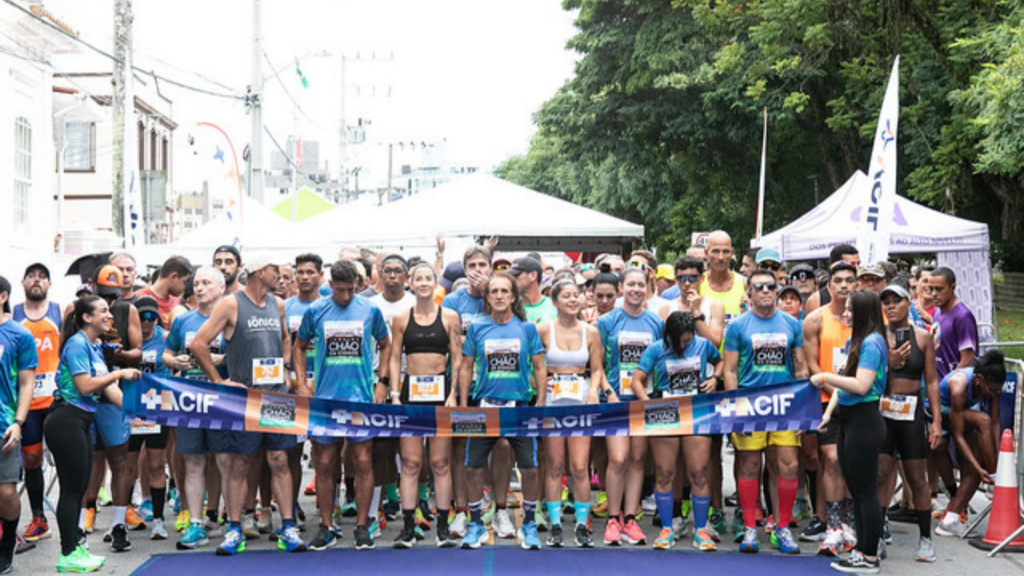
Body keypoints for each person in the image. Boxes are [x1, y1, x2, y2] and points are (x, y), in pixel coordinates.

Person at [190, 253, 307, 555]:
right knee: (239, 463)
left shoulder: (277, 304)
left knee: (279, 459)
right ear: (258, 272)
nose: (280, 276)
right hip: (244, 399)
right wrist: (219, 381)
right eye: (274, 270)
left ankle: (289, 526)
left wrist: (283, 366)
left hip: (276, 396)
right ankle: (234, 529)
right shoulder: (231, 304)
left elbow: (284, 338)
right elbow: (198, 344)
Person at [294, 259, 391, 552]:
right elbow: (298, 346)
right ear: (330, 285)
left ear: (359, 285)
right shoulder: (316, 310)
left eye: (351, 290)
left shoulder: (370, 309)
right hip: (325, 399)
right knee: (324, 463)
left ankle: (362, 526)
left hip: (360, 398)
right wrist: (301, 382)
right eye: (340, 290)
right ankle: (326, 525)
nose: (346, 296)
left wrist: (382, 382)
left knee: (362, 461)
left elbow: (386, 344)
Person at [45, 295, 141, 573]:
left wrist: (136, 411)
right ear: (86, 317)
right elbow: (86, 386)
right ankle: (68, 553)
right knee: (72, 491)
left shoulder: (94, 346)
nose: (109, 316)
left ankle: (75, 548)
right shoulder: (76, 344)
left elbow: (108, 390)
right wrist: (119, 373)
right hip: (65, 420)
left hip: (82, 421)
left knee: (80, 487)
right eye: (102, 311)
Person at [457, 272, 547, 550]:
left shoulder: (526, 328)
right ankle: (475, 525)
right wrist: (463, 405)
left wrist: (540, 403)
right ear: (487, 297)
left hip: (519, 408)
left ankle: (529, 524)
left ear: (512, 296)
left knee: (530, 469)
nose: (498, 296)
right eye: (493, 291)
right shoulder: (477, 328)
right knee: (473, 468)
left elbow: (540, 367)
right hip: (484, 408)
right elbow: (465, 366)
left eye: (503, 291)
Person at [723, 268, 807, 555]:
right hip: (750, 403)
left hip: (784, 402)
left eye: (770, 286)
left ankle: (782, 527)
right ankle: (749, 527)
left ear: (777, 289)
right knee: (749, 465)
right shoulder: (737, 326)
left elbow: (801, 369)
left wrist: (802, 410)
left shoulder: (792, 324)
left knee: (788, 464)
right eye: (758, 287)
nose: (765, 291)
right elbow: (730, 370)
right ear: (749, 293)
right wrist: (736, 410)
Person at [810, 290, 889, 574]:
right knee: (856, 490)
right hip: (848, 420)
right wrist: (829, 414)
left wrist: (824, 377)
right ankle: (861, 549)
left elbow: (860, 385)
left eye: (850, 311)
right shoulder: (856, 341)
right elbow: (845, 384)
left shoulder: (872, 342)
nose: (845, 315)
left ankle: (869, 554)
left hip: (865, 421)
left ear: (864, 312)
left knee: (865, 491)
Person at [630, 311, 722, 551]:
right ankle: (667, 528)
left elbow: (719, 360)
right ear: (668, 336)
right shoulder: (655, 349)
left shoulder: (702, 345)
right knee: (664, 473)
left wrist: (715, 379)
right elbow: (636, 380)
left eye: (687, 340)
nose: (684, 345)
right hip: (665, 412)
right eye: (679, 341)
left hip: (696, 411)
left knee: (699, 472)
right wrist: (648, 404)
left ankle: (700, 529)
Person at [388, 264, 462, 549]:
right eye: (418, 278)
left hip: (440, 395)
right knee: (411, 463)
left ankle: (442, 528)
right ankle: (408, 528)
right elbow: (395, 357)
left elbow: (456, 357)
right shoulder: (400, 317)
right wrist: (395, 394)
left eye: (428, 278)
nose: (423, 283)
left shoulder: (450, 316)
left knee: (440, 463)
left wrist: (452, 393)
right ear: (411, 282)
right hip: (411, 395)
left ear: (435, 282)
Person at [162, 266, 229, 550]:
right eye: (196, 283)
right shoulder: (183, 320)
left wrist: (219, 358)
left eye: (206, 283)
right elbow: (167, 352)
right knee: (193, 462)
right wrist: (173, 362)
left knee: (226, 461)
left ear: (222, 288)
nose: (199, 288)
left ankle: (233, 521)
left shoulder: (231, 317)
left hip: (223, 400)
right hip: (189, 400)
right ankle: (195, 524)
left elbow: (242, 354)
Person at [598, 267, 664, 547]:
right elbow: (596, 364)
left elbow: (660, 362)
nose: (636, 289)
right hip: (615, 401)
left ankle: (630, 519)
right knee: (619, 458)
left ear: (647, 287)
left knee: (638, 460)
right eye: (631, 284)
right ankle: (613, 519)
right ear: (622, 287)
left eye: (641, 285)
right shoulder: (607, 321)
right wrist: (608, 392)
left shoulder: (656, 323)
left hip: (643, 401)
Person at [538, 280, 605, 548]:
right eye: (566, 296)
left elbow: (598, 369)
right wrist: (539, 391)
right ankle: (555, 525)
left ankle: (581, 524)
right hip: (553, 401)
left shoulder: (591, 332)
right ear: (555, 302)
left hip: (580, 400)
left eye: (576, 295)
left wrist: (593, 392)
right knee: (554, 465)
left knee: (579, 466)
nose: (573, 299)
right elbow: (534, 365)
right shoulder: (543, 329)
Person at [876, 284, 941, 562]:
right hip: (883, 411)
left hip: (912, 411)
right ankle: (877, 536)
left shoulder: (923, 337)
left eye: (897, 301)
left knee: (917, 478)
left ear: (908, 303)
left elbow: (932, 380)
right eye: (886, 302)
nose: (891, 307)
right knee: (880, 476)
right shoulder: (876, 337)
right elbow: (869, 375)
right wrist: (888, 362)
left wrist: (936, 419)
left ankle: (926, 539)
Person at [801, 260, 856, 552]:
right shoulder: (815, 319)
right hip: (826, 402)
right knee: (832, 460)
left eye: (849, 280)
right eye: (839, 280)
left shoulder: (867, 320)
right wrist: (837, 391)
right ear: (829, 285)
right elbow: (811, 366)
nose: (844, 285)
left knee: (852, 462)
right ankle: (832, 525)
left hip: (860, 401)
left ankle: (849, 524)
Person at [88, 265, 143, 552]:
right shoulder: (76, 311)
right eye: (104, 295)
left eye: (114, 295)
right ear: (92, 287)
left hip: (113, 390)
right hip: (84, 394)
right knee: (87, 459)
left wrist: (119, 354)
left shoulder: (125, 310)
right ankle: (85, 512)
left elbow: (138, 350)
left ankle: (120, 522)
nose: (109, 303)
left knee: (120, 456)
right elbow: (64, 352)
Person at [932, 350, 1005, 537]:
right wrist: (989, 471)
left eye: (998, 390)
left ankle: (950, 520)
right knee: (983, 421)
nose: (995, 394)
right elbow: (958, 435)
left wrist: (994, 460)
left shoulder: (992, 385)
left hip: (962, 413)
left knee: (974, 470)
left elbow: (996, 424)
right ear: (979, 380)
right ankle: (994, 478)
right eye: (992, 390)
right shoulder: (958, 386)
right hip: (942, 412)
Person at [13, 263, 61, 543]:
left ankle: (77, 519)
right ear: (22, 282)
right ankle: (38, 518)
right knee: (31, 459)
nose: (37, 281)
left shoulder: (58, 312)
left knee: (66, 460)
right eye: (32, 276)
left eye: (42, 277)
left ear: (49, 284)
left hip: (54, 400)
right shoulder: (14, 315)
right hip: (26, 402)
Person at [125, 297, 171, 541]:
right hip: (130, 406)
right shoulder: (127, 337)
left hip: (156, 407)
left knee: (155, 464)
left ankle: (159, 520)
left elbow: (175, 366)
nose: (147, 322)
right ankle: (122, 517)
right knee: (127, 467)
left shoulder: (164, 338)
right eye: (142, 317)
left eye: (152, 317)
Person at [0, 276, 38, 571]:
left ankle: (7, 541)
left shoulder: (18, 335)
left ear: (3, 297)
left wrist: (18, 422)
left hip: (4, 425)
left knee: (7, 493)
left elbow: (27, 384)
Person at [658, 257, 725, 349]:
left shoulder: (714, 306)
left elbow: (714, 344)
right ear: (676, 281)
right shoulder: (666, 308)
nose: (686, 283)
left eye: (692, 278)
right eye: (682, 279)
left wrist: (696, 313)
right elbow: (661, 344)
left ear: (701, 278)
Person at [929, 267, 979, 379]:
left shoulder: (962, 316)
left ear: (952, 287)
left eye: (939, 289)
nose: (933, 294)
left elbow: (967, 361)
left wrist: (947, 385)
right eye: (930, 289)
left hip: (954, 388)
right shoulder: (937, 310)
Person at [137, 257, 192, 326]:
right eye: (184, 282)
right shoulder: (139, 298)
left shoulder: (177, 303)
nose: (185, 287)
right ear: (174, 277)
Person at [805, 246, 860, 314]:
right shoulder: (816, 300)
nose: (857, 268)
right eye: (851, 264)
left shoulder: (864, 296)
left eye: (858, 264)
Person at [510, 257, 558, 324]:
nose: (512, 280)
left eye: (516, 275)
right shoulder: (510, 308)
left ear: (533, 275)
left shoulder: (555, 307)